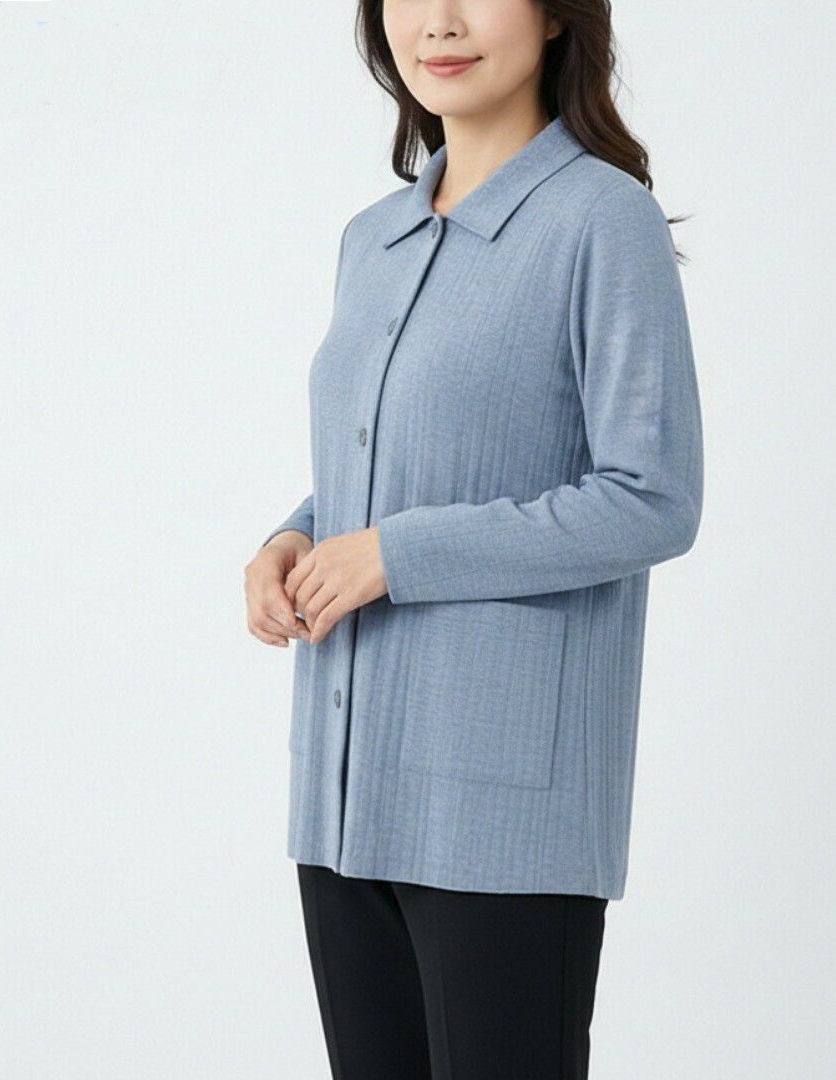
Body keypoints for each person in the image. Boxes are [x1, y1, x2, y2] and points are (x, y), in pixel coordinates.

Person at [243, 2, 704, 1076]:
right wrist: (294, 537)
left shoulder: (603, 221)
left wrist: (395, 555)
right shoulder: (373, 237)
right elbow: (386, 462)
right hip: (345, 794)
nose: (439, 22)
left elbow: (652, 497)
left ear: (555, 17)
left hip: (503, 809)